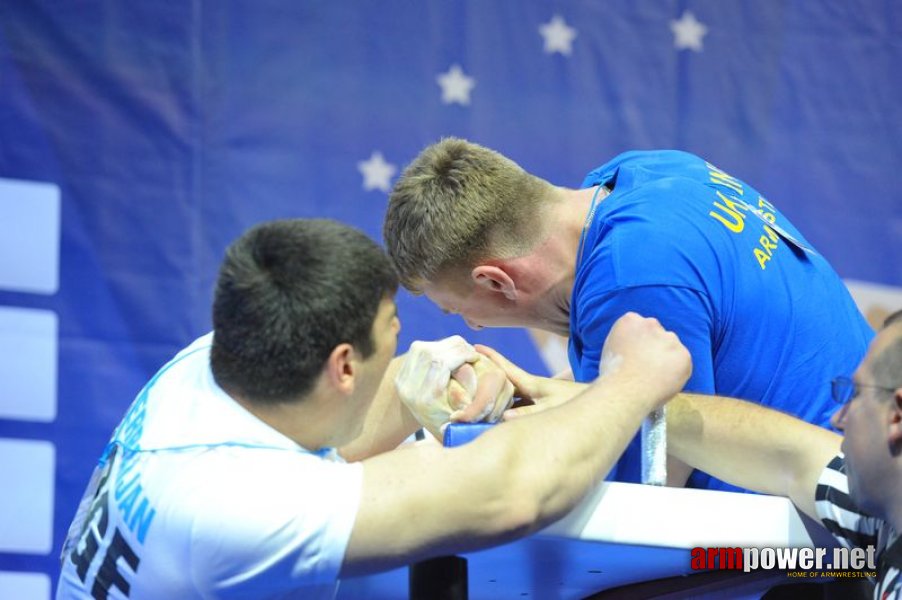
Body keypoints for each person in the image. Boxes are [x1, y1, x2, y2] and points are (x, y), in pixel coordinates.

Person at [56, 218, 691, 599]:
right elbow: (509, 491)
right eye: (394, 328)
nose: (401, 341)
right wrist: (630, 381)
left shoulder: (214, 361)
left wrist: (435, 374)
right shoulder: (238, 504)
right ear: (342, 365)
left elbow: (340, 423)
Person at [383, 137, 874, 491]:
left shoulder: (629, 279)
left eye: (459, 311)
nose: (472, 326)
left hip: (819, 549)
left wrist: (470, 440)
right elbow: (627, 392)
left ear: (495, 282)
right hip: (849, 479)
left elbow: (645, 494)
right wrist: (527, 399)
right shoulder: (647, 172)